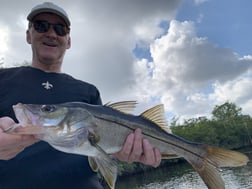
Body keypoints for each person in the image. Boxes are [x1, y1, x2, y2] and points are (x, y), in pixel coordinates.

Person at [0, 2, 161, 189]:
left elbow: (101, 150)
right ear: (29, 35)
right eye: (41, 25)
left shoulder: (88, 91)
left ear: (68, 41)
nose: (51, 34)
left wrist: (121, 150)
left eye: (60, 29)